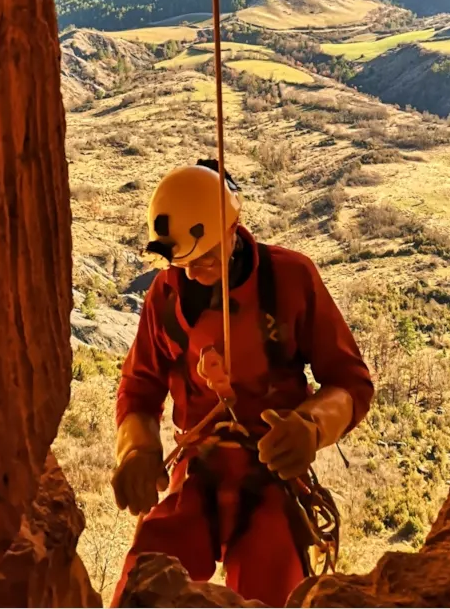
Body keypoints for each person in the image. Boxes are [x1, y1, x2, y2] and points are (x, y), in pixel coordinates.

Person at [110, 160, 373, 607]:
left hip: (271, 471)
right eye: (185, 261)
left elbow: (349, 382)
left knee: (272, 581)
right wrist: (135, 448)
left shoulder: (290, 280)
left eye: (207, 255)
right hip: (197, 467)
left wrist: (310, 426)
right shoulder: (166, 297)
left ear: (235, 227)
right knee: (146, 575)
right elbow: (140, 388)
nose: (194, 272)